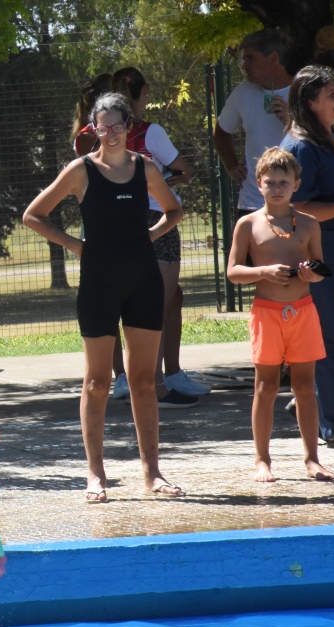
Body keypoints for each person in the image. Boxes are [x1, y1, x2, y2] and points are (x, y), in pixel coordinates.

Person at [22, 92, 184, 502]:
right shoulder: (80, 170)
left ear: (130, 127)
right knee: (97, 381)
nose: (110, 133)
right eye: (102, 126)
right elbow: (33, 215)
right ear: (92, 128)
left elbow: (174, 210)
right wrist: (75, 245)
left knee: (145, 381)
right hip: (99, 282)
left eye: (117, 125)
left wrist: (149, 236)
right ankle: (95, 475)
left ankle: (153, 473)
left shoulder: (145, 168)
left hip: (143, 281)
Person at [227, 147, 334, 482]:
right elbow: (233, 271)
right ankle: (262, 459)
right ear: (258, 184)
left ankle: (312, 458)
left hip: (302, 311)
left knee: (304, 385)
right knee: (265, 386)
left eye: (283, 182)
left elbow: (320, 268)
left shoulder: (309, 224)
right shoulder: (248, 224)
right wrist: (263, 272)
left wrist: (310, 274)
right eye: (270, 181)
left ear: (296, 184)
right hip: (267, 313)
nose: (276, 188)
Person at [107, 67, 208, 406]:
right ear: (143, 91)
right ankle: (153, 386)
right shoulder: (150, 132)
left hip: (118, 222)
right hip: (157, 218)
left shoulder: (97, 134)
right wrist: (164, 182)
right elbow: (183, 170)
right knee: (154, 304)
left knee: (162, 299)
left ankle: (158, 376)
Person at [280, 65, 334, 447]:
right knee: (327, 342)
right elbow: (295, 207)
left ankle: (314, 399)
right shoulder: (299, 147)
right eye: (331, 94)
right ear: (310, 102)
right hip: (318, 258)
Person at [213, 29, 293, 223]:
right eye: (243, 59)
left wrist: (293, 123)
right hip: (253, 203)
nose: (245, 65)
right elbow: (221, 133)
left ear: (273, 58)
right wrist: (231, 165)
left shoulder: (304, 90)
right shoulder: (243, 92)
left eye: (250, 58)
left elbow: (324, 138)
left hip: (297, 202)